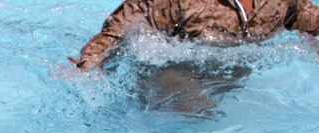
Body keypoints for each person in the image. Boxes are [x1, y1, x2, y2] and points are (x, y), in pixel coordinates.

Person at [73, 0, 319, 71]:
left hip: (231, 68)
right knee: (196, 118)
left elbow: (307, 18)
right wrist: (86, 68)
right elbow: (120, 29)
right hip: (169, 70)